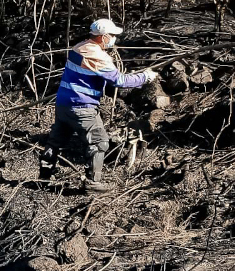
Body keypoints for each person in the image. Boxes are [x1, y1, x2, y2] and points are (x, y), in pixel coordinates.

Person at [39, 18, 158, 192]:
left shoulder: (79, 47)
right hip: (81, 106)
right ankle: (93, 184)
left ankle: (43, 178)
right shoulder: (98, 56)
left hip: (63, 104)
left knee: (55, 141)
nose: (114, 38)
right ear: (103, 37)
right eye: (112, 35)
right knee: (99, 141)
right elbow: (119, 80)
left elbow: (93, 74)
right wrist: (145, 77)